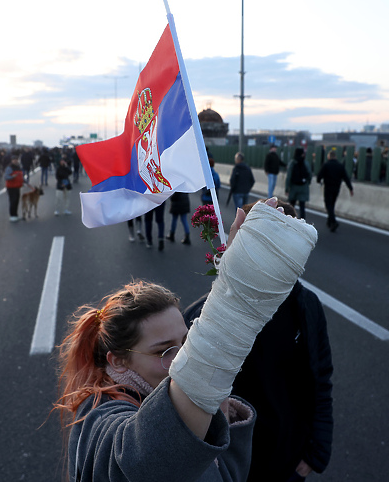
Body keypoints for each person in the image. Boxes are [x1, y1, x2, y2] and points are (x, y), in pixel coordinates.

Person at [54, 197, 318, 482]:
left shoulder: (201, 400)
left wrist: (237, 280)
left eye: (186, 341)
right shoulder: (99, 417)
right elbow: (142, 466)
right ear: (118, 361)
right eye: (164, 350)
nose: (182, 357)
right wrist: (235, 309)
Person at [182, 199, 333, 482]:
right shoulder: (206, 318)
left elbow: (320, 378)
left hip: (286, 459)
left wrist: (316, 453)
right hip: (230, 464)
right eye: (265, 240)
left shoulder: (306, 307)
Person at [316, 150, 353, 232]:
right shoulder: (340, 166)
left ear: (329, 157)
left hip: (328, 187)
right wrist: (350, 188)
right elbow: (346, 178)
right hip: (336, 188)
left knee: (328, 204)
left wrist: (319, 181)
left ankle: (333, 221)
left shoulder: (326, 165)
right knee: (332, 204)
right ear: (335, 156)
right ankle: (329, 222)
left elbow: (319, 176)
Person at [285, 147, 311, 220]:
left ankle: (289, 221)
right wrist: (307, 183)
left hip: (294, 187)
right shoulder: (305, 163)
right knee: (302, 206)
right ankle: (302, 222)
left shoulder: (292, 163)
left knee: (291, 206)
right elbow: (309, 175)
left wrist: (287, 189)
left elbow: (288, 177)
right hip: (303, 187)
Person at [5, 153, 24, 222]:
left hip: (17, 186)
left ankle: (15, 215)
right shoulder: (9, 167)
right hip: (11, 187)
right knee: (12, 201)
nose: (15, 161)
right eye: (14, 159)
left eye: (16, 159)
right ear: (12, 160)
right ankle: (12, 215)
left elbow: (21, 176)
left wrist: (23, 181)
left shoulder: (18, 167)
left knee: (16, 201)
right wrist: (12, 177)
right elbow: (6, 177)